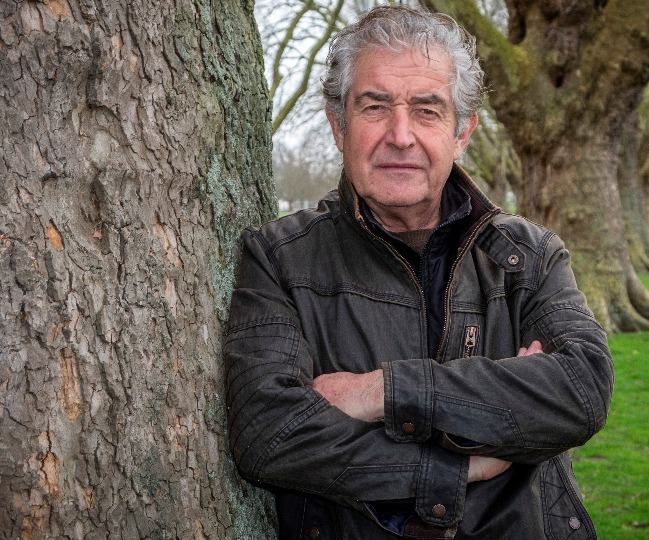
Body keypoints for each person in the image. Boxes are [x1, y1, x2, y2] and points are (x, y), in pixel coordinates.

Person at [224, 6, 613, 539]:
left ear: (463, 132)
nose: (400, 135)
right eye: (375, 107)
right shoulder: (281, 259)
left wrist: (380, 393)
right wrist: (460, 464)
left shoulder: (528, 257)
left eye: (427, 110)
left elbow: (581, 390)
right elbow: (271, 432)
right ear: (339, 126)